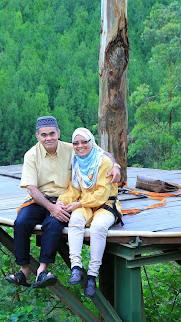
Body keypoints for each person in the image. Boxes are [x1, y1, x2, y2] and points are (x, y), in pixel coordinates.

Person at [4, 117, 121, 289]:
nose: (48, 138)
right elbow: (31, 188)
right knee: (21, 222)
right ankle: (24, 270)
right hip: (40, 199)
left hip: (66, 199)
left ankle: (42, 270)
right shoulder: (31, 155)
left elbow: (99, 153)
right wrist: (51, 207)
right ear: (37, 136)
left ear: (58, 133)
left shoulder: (72, 148)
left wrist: (116, 165)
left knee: (53, 224)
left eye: (52, 133)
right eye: (44, 135)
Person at [59, 127, 123, 297]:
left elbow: (101, 194)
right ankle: (76, 267)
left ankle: (92, 275)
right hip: (86, 203)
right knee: (75, 222)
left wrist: (77, 204)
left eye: (84, 142)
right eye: (76, 143)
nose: (80, 146)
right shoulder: (77, 161)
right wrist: (62, 201)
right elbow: (74, 188)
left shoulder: (103, 161)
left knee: (98, 228)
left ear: (91, 142)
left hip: (105, 204)